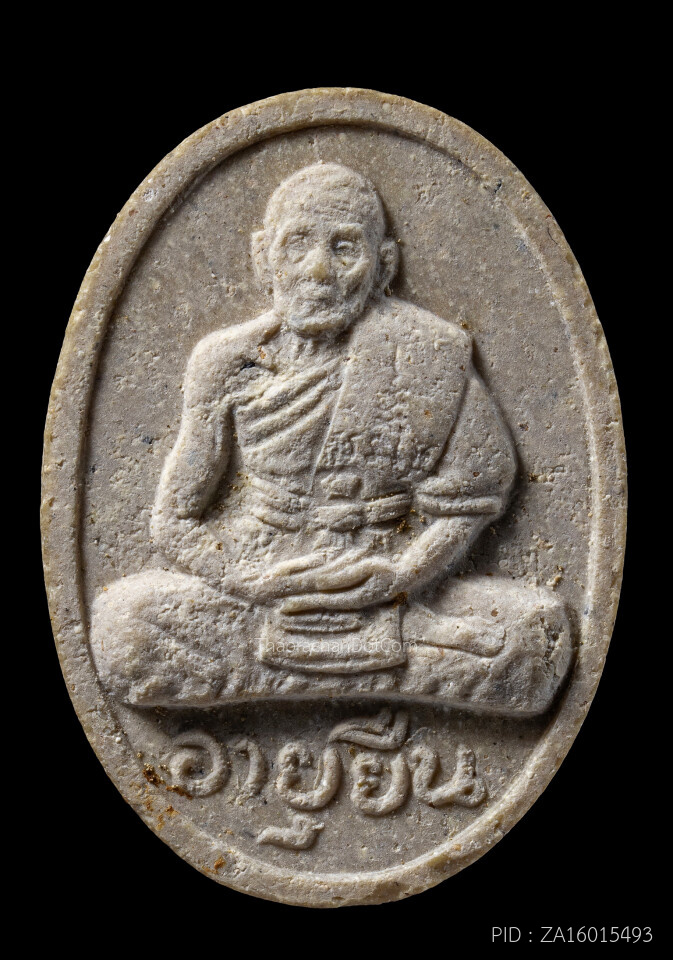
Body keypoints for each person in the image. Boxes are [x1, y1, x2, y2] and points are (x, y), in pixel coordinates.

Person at [92, 163, 572, 714]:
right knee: (125, 628)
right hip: (261, 586)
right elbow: (174, 521)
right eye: (297, 245)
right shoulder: (225, 362)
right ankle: (378, 675)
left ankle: (281, 679)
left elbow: (477, 492)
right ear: (263, 257)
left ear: (382, 264)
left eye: (345, 249)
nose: (318, 271)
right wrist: (251, 581)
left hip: (390, 587)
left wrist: (403, 574)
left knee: (533, 635)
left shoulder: (427, 354)